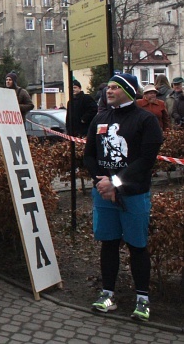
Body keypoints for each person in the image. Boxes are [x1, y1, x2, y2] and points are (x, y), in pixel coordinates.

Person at [84, 73, 163, 322]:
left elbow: (146, 160)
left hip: (133, 194)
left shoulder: (145, 120)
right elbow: (89, 154)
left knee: (137, 246)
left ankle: (142, 299)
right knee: (108, 244)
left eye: (115, 87)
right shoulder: (100, 118)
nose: (109, 91)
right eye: (108, 87)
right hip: (104, 195)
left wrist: (116, 183)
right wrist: (100, 180)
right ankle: (107, 294)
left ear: (129, 91)